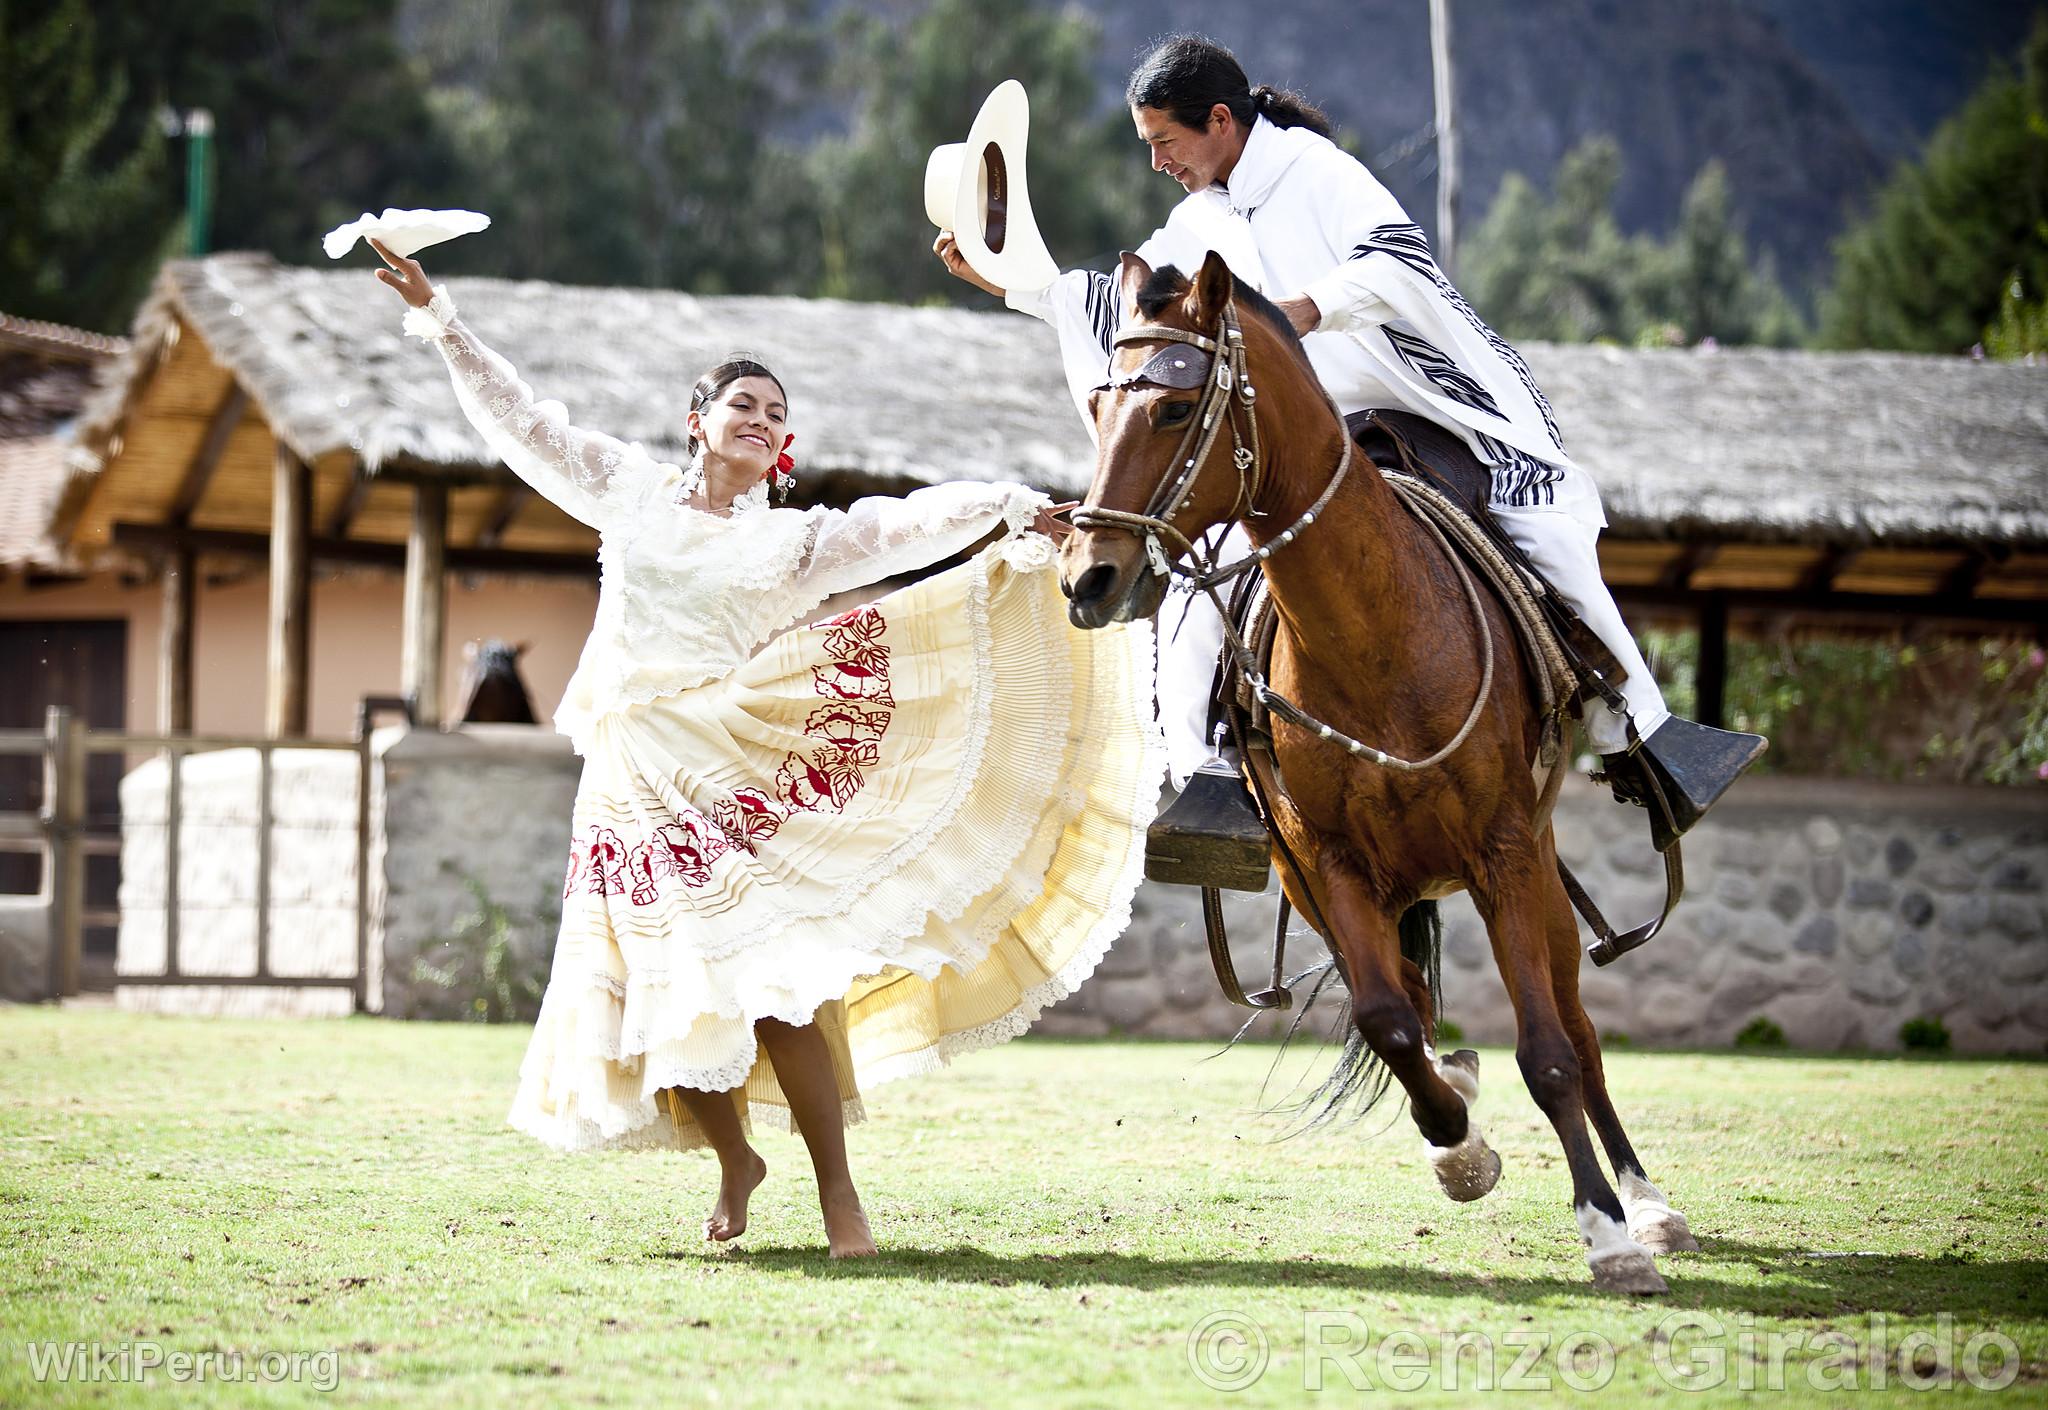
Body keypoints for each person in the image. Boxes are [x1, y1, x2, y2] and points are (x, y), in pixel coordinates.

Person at [370, 239, 1162, 1257]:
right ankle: (734, 1160)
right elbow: (527, 425)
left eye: (775, 414)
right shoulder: (629, 494)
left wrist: (1007, 507)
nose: (761, 420)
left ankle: (841, 1199)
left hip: (730, 761)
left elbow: (895, 529)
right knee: (659, 996)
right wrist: (440, 319)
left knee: (777, 981)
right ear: (697, 421)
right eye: (742, 404)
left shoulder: (788, 545)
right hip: (628, 772)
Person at [935, 36, 1763, 855]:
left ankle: (1641, 730)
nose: (1157, 162)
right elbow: (1137, 305)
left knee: (1541, 531)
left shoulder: (1319, 174)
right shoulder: (1197, 217)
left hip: (1417, 408)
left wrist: (1302, 310)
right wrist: (1018, 285)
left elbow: (1402, 264)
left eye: (1164, 143)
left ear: (1220, 121)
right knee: (1201, 561)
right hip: (1293, 433)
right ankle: (1207, 776)